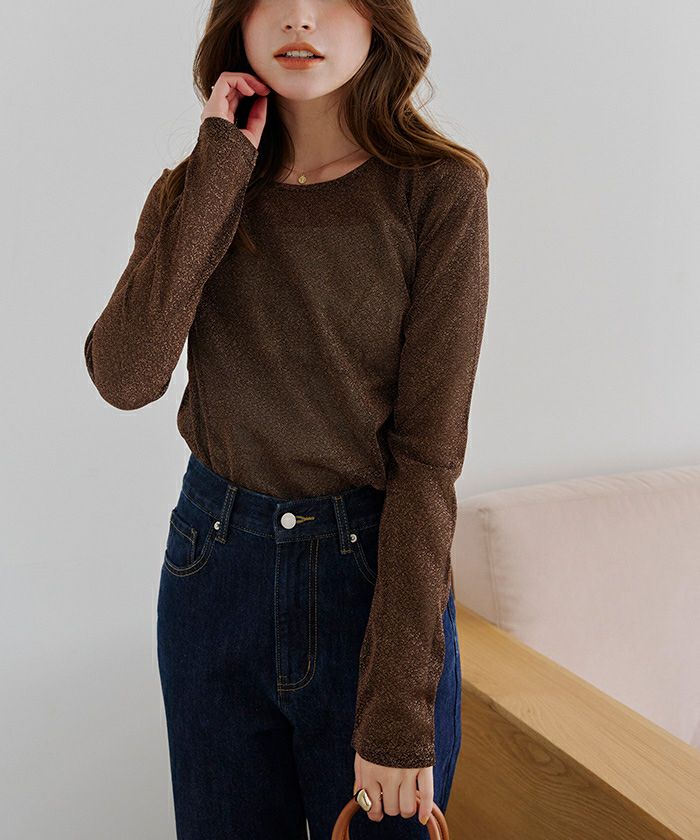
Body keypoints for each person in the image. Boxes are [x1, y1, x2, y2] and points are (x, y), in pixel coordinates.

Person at [83, 1, 489, 837]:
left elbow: (428, 461)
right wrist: (219, 170)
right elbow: (125, 377)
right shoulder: (196, 188)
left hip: (368, 578)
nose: (300, 18)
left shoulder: (437, 191)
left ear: (379, 20)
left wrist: (396, 713)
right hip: (213, 570)